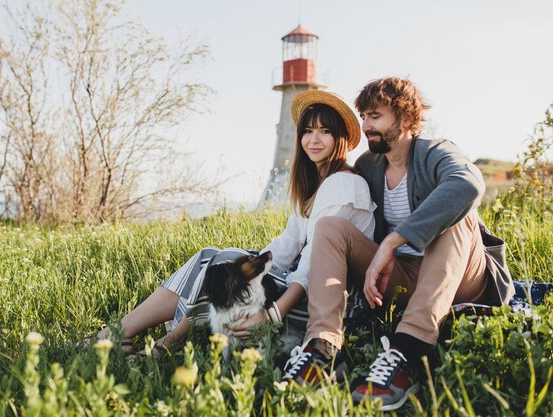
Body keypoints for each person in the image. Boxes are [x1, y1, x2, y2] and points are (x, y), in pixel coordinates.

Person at [282, 77, 513, 411]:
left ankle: (406, 353)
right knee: (331, 227)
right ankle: (323, 350)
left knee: (457, 214)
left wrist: (394, 239)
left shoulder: (434, 152)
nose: (366, 125)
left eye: (375, 116)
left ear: (405, 118)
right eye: (363, 116)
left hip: (461, 276)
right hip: (403, 277)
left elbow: (468, 184)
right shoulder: (368, 166)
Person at [85, 90, 377, 356]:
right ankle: (131, 334)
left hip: (332, 306)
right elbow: (285, 247)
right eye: (308, 131)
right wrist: (248, 266)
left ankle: (158, 341)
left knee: (222, 261)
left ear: (339, 139)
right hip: (301, 288)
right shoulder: (318, 186)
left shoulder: (343, 185)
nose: (314, 139)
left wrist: (272, 313)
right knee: (213, 256)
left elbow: (312, 264)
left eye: (325, 132)